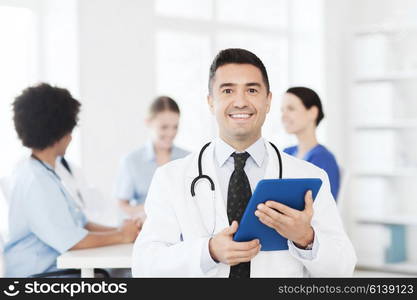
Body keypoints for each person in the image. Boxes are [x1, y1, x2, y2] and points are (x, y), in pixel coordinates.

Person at [132, 48, 356, 277]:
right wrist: (208, 251)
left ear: (268, 101)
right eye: (228, 90)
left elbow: (343, 269)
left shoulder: (310, 175)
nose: (240, 101)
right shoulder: (171, 177)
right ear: (210, 102)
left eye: (252, 90)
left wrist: (306, 238)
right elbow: (145, 266)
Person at [4, 83, 140, 277]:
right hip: (38, 279)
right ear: (60, 134)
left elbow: (81, 225)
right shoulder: (36, 182)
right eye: (70, 130)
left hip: (56, 272)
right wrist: (121, 235)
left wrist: (124, 231)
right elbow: (73, 240)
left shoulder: (43, 173)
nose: (71, 137)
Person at [114, 96, 189, 223]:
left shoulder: (188, 158)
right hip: (146, 230)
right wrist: (152, 210)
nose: (170, 133)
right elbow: (121, 205)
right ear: (148, 122)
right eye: (164, 127)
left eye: (175, 127)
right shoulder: (131, 161)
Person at [281, 87, 340, 200]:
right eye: (282, 110)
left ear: (313, 112)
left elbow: (326, 204)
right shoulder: (286, 153)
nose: (284, 116)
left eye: (291, 109)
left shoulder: (324, 158)